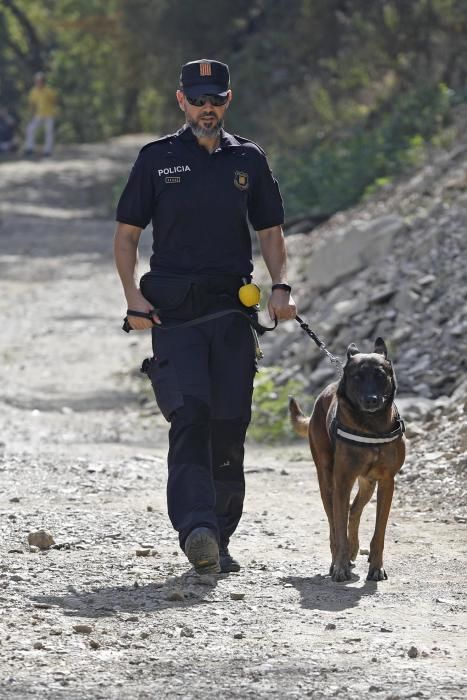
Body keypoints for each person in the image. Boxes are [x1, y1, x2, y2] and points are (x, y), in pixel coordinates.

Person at [114, 59, 296, 575]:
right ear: (181, 102)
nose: (206, 108)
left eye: (215, 99)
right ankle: (196, 527)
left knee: (230, 422)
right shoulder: (156, 160)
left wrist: (280, 284)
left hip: (232, 313)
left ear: (228, 100)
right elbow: (127, 236)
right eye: (198, 99)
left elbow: (271, 233)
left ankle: (220, 532)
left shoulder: (249, 160)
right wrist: (134, 299)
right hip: (174, 315)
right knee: (190, 413)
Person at [24, 72, 58, 156]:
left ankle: (48, 150)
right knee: (30, 129)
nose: (38, 82)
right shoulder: (33, 91)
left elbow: (55, 101)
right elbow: (32, 103)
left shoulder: (49, 90)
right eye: (36, 81)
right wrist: (31, 113)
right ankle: (29, 148)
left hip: (49, 114)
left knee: (49, 132)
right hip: (38, 115)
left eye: (39, 81)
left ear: (43, 81)